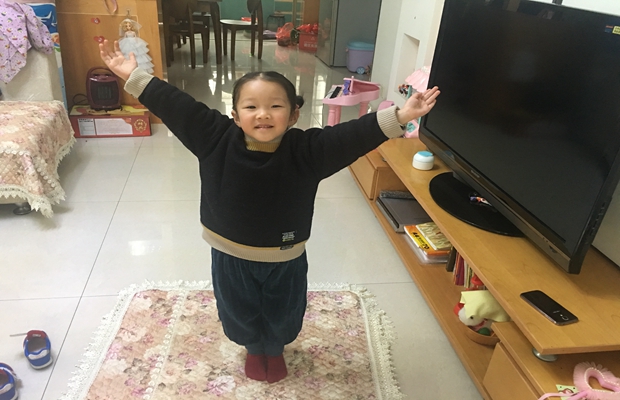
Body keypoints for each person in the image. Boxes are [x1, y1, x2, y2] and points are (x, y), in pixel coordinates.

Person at [98, 39, 440, 384]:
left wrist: (401, 116)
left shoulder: (307, 150)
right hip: (229, 254)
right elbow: (178, 106)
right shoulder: (214, 137)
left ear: (293, 114)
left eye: (275, 106)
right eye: (251, 107)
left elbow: (350, 136)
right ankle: (253, 347)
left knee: (284, 312)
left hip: (285, 256)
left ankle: (274, 349)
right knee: (237, 310)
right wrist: (134, 76)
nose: (262, 114)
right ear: (235, 115)